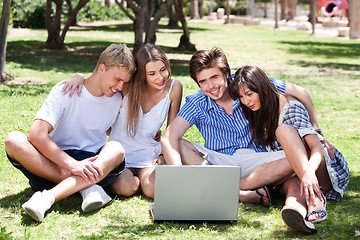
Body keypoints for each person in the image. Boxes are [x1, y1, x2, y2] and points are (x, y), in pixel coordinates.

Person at [161, 47, 323, 207]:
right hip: (219, 163)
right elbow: (169, 138)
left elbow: (301, 93)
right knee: (180, 145)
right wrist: (178, 177)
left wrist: (316, 131)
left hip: (259, 160)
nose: (210, 86)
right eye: (203, 81)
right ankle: (242, 193)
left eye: (214, 77)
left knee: (297, 155)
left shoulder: (245, 86)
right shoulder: (197, 103)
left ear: (226, 74)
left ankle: (229, 187)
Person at [4, 44, 136, 222]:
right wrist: (73, 166)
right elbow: (36, 134)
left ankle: (47, 198)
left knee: (116, 149)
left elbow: (114, 128)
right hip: (52, 164)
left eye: (124, 82)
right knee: (13, 140)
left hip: (93, 164)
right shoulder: (66, 90)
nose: (120, 87)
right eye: (117, 79)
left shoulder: (117, 98)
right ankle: (85, 187)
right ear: (102, 69)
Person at [229, 65, 349, 233]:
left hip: (318, 168)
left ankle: (316, 196)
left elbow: (316, 149)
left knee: (283, 130)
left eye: (249, 94)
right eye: (241, 97)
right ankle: (296, 213)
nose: (246, 101)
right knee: (292, 189)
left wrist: (308, 173)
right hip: (293, 170)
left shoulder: (290, 108)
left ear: (262, 89)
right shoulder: (257, 110)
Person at [61, 43, 183, 199]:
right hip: (120, 156)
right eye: (152, 73)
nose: (160, 78)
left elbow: (171, 131)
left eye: (163, 70)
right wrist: (79, 76)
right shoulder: (126, 86)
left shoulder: (174, 88)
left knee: (152, 190)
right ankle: (138, 182)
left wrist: (164, 156)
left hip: (149, 155)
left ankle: (145, 181)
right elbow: (102, 78)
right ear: (142, 75)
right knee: (125, 188)